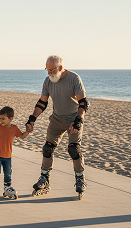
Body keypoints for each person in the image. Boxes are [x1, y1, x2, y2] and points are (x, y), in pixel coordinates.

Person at [26, 55, 89, 199]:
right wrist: (32, 119)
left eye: (51, 70)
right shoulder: (48, 81)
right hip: (56, 119)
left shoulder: (74, 78)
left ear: (60, 68)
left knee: (74, 149)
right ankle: (44, 179)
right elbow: (42, 103)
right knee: (48, 148)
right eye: (46, 70)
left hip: (74, 119)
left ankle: (80, 179)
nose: (48, 73)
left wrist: (78, 120)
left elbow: (83, 103)